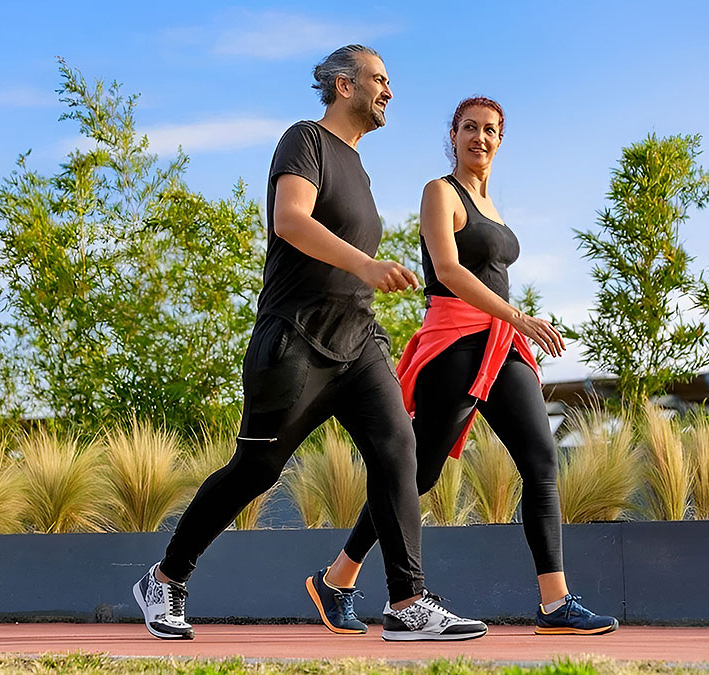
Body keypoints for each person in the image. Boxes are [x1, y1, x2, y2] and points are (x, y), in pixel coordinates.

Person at [133, 45, 487, 642]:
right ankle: (166, 578)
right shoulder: (306, 141)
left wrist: (367, 281)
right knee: (258, 468)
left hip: (358, 341)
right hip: (295, 340)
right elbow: (290, 221)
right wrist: (368, 265)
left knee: (399, 449)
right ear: (344, 85)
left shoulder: (360, 167)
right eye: (380, 80)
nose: (389, 91)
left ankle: (407, 601)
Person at [306, 96, 619, 636]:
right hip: (455, 341)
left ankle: (555, 604)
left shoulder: (492, 205)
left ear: (501, 139)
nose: (480, 137)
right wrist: (519, 317)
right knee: (419, 471)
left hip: (501, 346)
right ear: (452, 135)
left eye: (491, 130)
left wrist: (512, 326)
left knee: (542, 459)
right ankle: (337, 579)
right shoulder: (439, 193)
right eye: (470, 128)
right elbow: (448, 270)